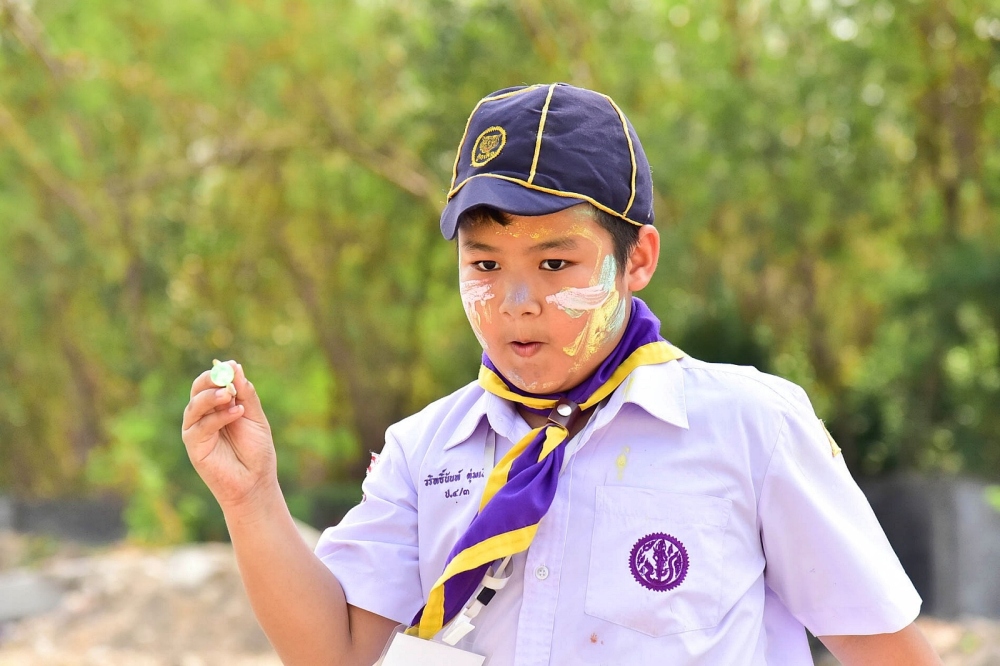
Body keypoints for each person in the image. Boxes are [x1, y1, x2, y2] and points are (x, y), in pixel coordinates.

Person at [181, 83, 942, 665]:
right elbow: (336, 652)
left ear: (637, 259)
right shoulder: (425, 450)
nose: (517, 302)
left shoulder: (751, 427)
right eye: (485, 265)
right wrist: (252, 498)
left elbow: (888, 650)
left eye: (554, 264)